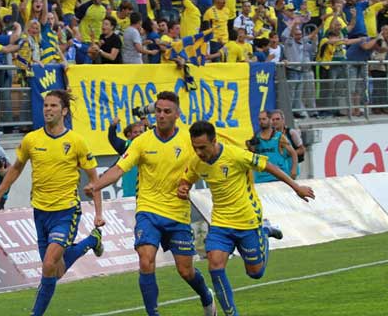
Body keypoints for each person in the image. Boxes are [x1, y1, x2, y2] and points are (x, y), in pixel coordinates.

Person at [90, 91, 216, 316]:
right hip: (148, 210)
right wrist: (96, 185)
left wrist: (189, 183)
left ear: (177, 114)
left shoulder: (188, 140)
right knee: (145, 260)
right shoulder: (141, 141)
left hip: (177, 214)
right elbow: (119, 168)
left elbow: (206, 163)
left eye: (167, 111)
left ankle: (206, 297)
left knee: (185, 271)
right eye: (158, 111)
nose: (161, 115)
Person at [0, 90, 105, 316]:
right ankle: (91, 241)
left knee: (48, 264)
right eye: (46, 105)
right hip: (40, 212)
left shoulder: (76, 142)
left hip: (66, 211)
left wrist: (99, 212)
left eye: (53, 106)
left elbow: (94, 179)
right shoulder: (32, 139)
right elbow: (17, 168)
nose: (48, 109)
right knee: (55, 271)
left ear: (64, 111)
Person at [178, 121, 315, 316]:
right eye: (195, 147)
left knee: (255, 273)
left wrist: (296, 188)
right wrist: (183, 187)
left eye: (202, 147)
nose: (199, 152)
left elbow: (268, 165)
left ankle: (265, 231)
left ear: (214, 141)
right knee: (214, 266)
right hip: (220, 223)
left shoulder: (236, 155)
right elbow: (187, 178)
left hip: (247, 221)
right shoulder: (196, 162)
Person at [248, 111, 298, 183]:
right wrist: (250, 147)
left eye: (264, 119)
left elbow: (293, 153)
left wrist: (294, 170)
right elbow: (252, 156)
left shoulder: (279, 136)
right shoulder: (256, 138)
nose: (261, 122)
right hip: (261, 178)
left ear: (270, 120)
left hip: (279, 177)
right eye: (259, 119)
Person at [107, 117, 145, 197]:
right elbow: (112, 138)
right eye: (135, 132)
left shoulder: (150, 146)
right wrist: (113, 126)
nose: (138, 134)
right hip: (130, 194)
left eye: (141, 132)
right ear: (129, 135)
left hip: (148, 195)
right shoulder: (127, 146)